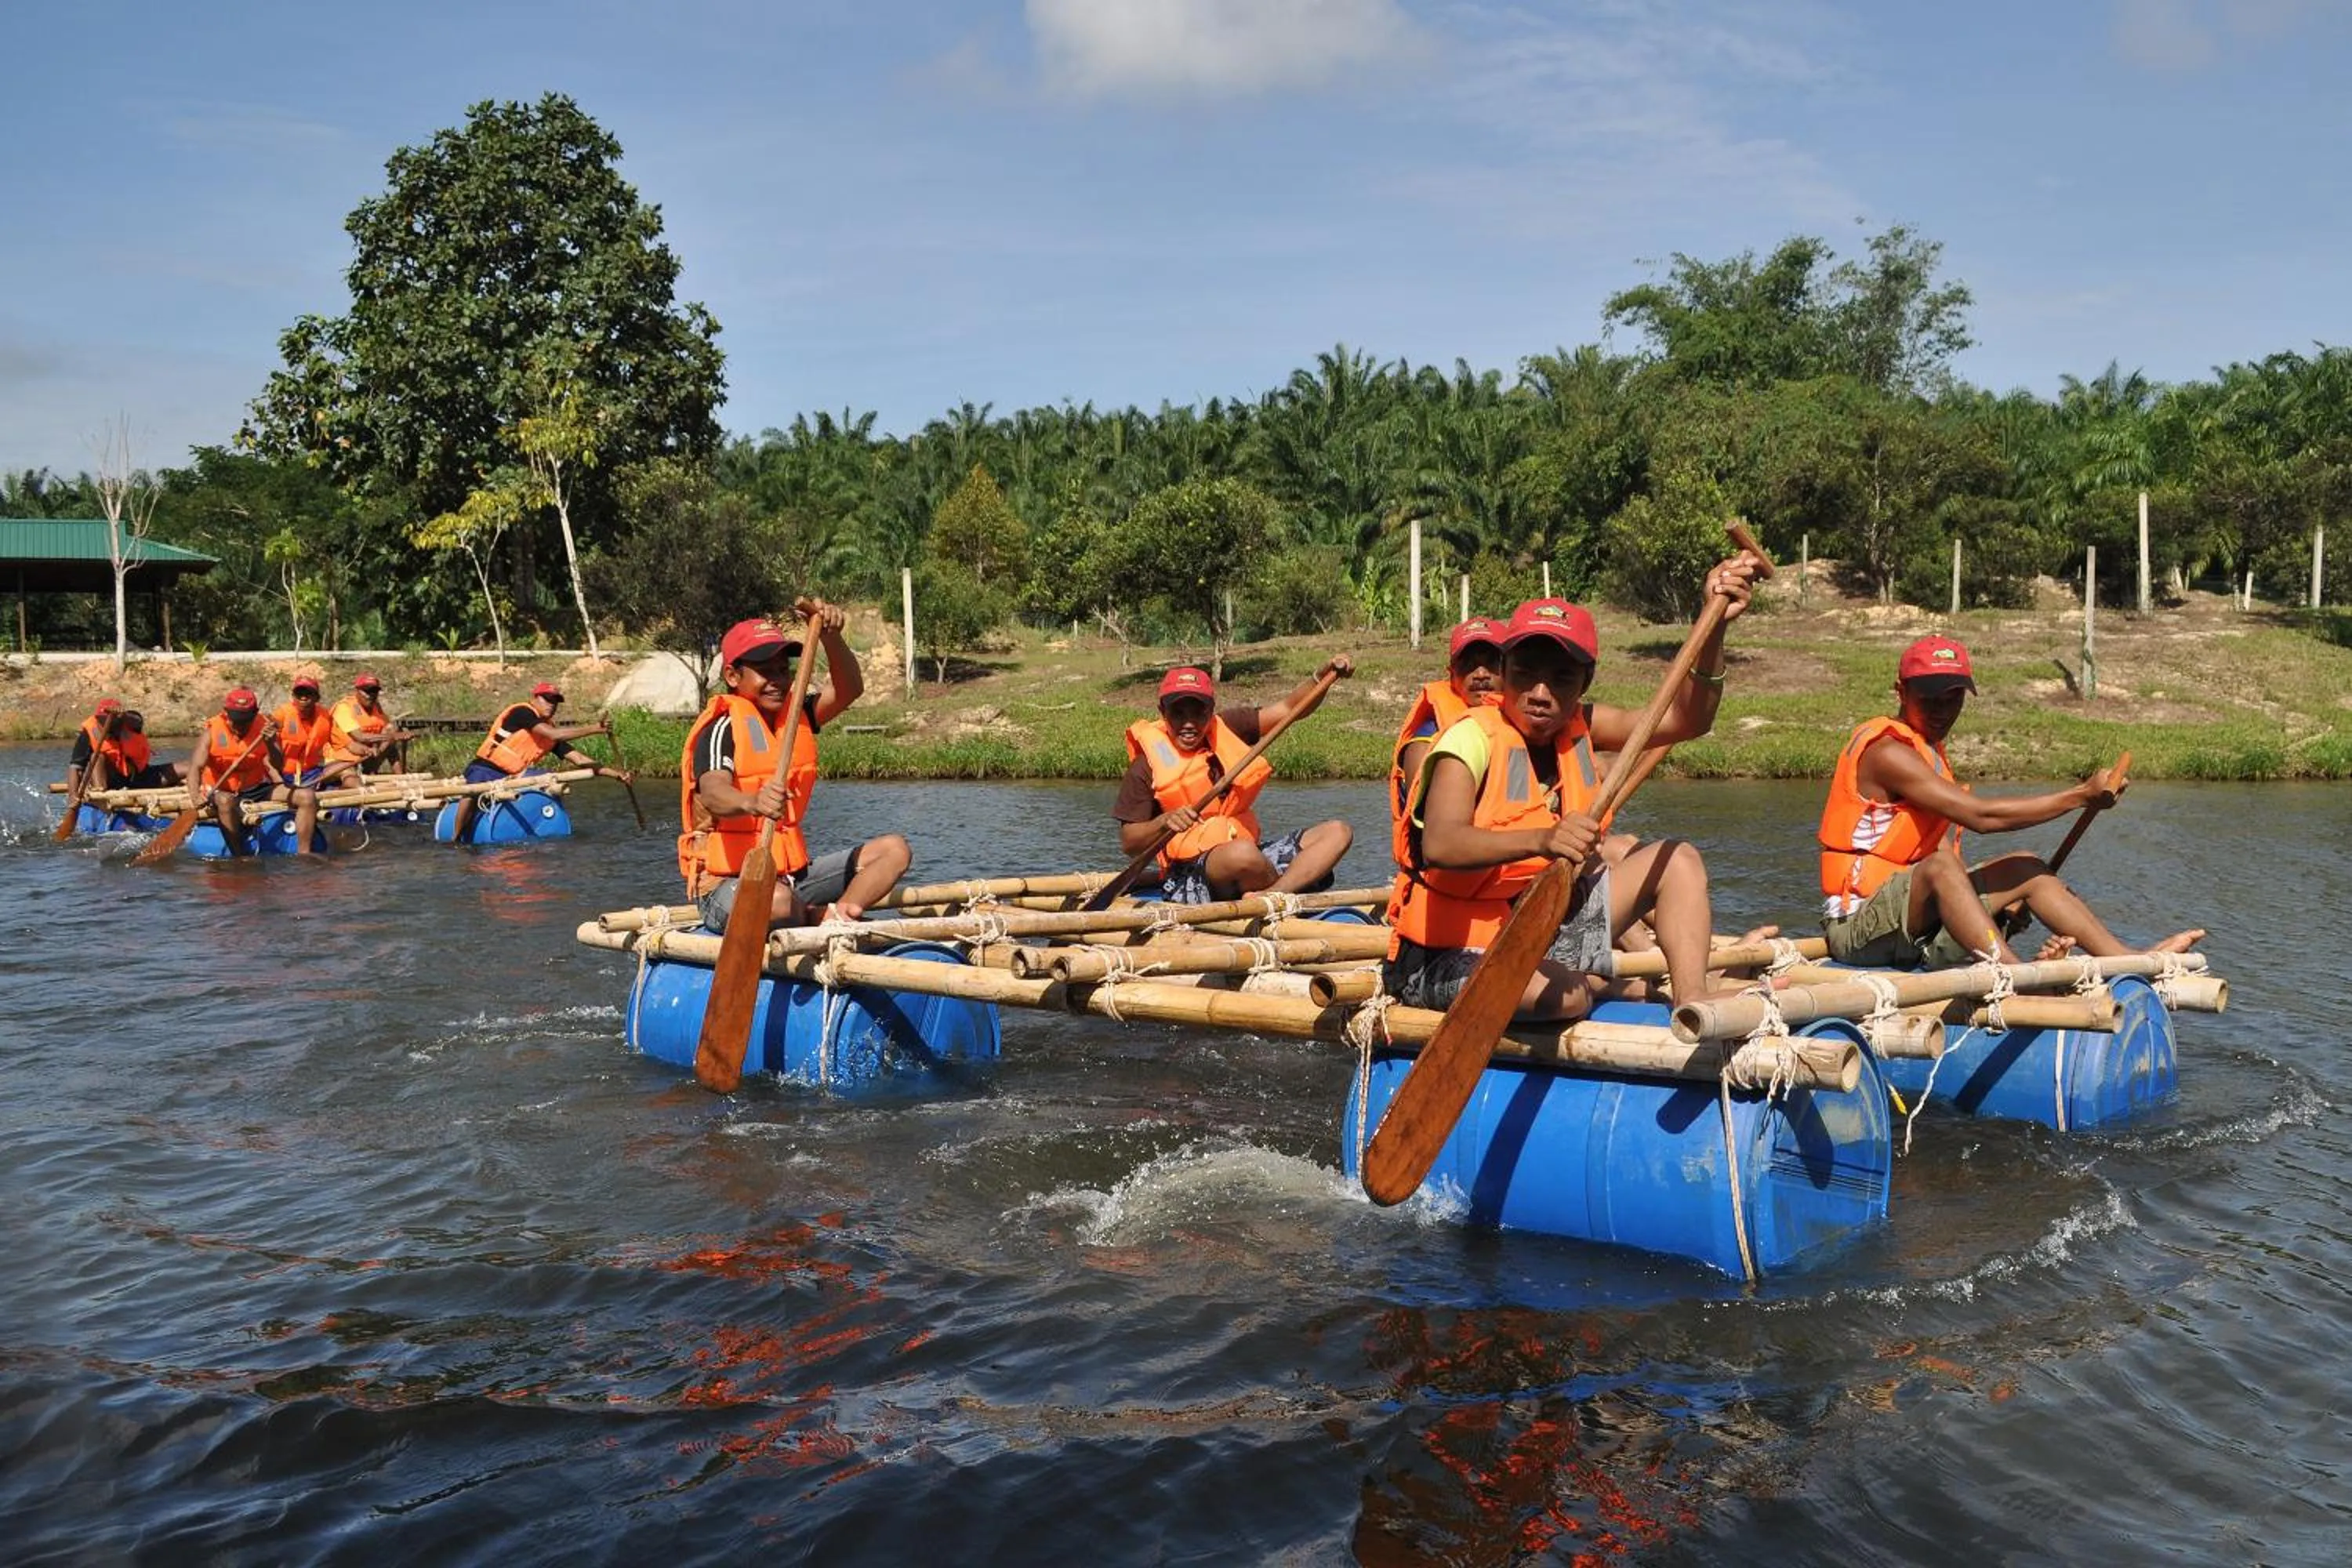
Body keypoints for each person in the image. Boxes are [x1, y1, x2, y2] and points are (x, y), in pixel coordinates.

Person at [1384, 561, 1763, 1022]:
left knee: (1678, 860)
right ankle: (1600, 984)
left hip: (1540, 927)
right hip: (1442, 954)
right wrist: (1543, 839)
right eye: (1525, 674)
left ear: (1584, 682)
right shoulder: (1469, 738)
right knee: (1570, 995)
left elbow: (1688, 721)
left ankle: (1692, 999)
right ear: (1505, 672)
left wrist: (1716, 628)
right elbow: (1440, 843)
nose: (1540, 692)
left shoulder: (1583, 724)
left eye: (1561, 678)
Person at [1817, 635, 2203, 966]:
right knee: (1941, 866)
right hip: (1858, 930)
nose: (1941, 710)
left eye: (1952, 698)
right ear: (1901, 691)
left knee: (2026, 868)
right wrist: (2080, 796)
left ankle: (2127, 962)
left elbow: (1942, 859)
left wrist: (1998, 906)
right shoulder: (1887, 752)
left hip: (1912, 925)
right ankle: (2019, 977)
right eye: (1929, 697)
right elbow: (1980, 817)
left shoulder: (1928, 751)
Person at [679, 606, 910, 930]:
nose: (777, 681)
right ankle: (815, 917)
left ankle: (841, 915)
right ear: (733, 676)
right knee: (776, 901)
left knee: (894, 851)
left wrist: (831, 638)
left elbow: (849, 690)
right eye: (764, 671)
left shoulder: (797, 713)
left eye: (782, 670)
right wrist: (752, 801)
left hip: (790, 877)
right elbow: (714, 792)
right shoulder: (722, 727)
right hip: (726, 886)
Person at [1112, 659, 1355, 905]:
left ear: (1211, 710)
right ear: (1163, 713)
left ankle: (1273, 894)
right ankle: (1293, 884)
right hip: (1191, 872)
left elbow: (1289, 709)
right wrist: (1165, 821)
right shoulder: (1145, 767)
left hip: (1249, 854)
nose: (1189, 723)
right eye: (1178, 713)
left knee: (1337, 832)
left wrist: (1320, 678)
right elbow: (1130, 843)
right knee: (1241, 854)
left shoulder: (1227, 727)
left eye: (1198, 713)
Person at [452, 680, 632, 841]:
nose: (552, 705)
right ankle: (456, 838)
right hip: (486, 769)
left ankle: (546, 825)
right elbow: (554, 734)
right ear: (536, 698)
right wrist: (594, 728)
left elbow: (578, 759)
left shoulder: (549, 731)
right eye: (547, 699)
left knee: (549, 779)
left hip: (513, 778)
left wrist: (616, 775)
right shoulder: (522, 712)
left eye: (555, 702)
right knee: (471, 792)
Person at [1390, 617, 1504, 825]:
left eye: (1492, 663)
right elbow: (1436, 835)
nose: (1480, 674)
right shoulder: (1425, 744)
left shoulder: (1531, 725)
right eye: (1468, 665)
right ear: (1452, 675)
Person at [181, 687, 320, 856]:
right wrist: (195, 796)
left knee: (307, 796)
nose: (240, 726)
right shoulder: (212, 731)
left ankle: (304, 852)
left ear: (254, 714)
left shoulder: (265, 729)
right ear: (226, 713)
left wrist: (270, 743)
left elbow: (279, 764)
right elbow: (195, 767)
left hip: (255, 786)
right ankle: (239, 855)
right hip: (220, 789)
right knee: (225, 801)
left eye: (245, 721)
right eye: (236, 720)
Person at [321, 673, 414, 786]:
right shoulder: (344, 707)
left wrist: (395, 737)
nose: (370, 695)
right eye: (367, 691)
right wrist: (391, 737)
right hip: (341, 761)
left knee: (391, 737)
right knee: (352, 780)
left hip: (365, 757)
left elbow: (388, 730)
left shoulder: (376, 707)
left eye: (374, 691)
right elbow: (359, 737)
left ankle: (401, 780)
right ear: (357, 691)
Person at [272, 677, 336, 789]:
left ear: (317, 698)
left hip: (313, 772)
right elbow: (266, 754)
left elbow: (339, 743)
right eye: (299, 694)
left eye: (308, 694)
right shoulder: (281, 714)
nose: (303, 698)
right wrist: (278, 781)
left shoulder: (325, 716)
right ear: (293, 697)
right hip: (286, 774)